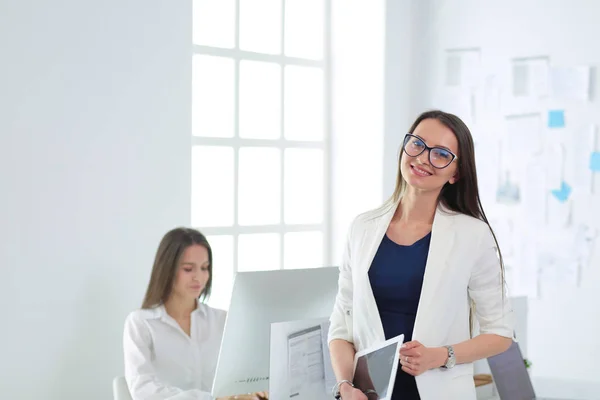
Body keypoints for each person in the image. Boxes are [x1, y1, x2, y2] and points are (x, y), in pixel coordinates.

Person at [328, 110, 515, 400]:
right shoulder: (362, 228)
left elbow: (500, 334)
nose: (423, 158)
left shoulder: (473, 236)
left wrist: (441, 355)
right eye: (417, 144)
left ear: (457, 173)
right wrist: (344, 386)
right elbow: (341, 326)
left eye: (441, 154)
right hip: (370, 394)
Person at [123, 227, 268, 400]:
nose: (198, 277)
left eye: (205, 268)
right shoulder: (141, 323)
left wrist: (255, 390)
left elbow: (240, 378)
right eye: (188, 269)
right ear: (167, 269)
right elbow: (143, 391)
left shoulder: (222, 321)